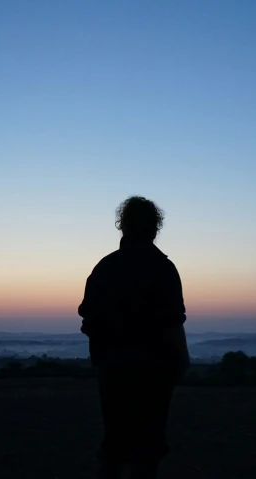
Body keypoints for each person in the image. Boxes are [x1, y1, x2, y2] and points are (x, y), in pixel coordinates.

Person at [79, 196, 190, 479]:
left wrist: (102, 357)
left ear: (123, 226)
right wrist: (181, 359)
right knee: (149, 445)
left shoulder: (105, 268)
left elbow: (89, 319)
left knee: (114, 441)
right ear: (155, 227)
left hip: (113, 369)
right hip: (155, 371)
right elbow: (172, 322)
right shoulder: (163, 268)